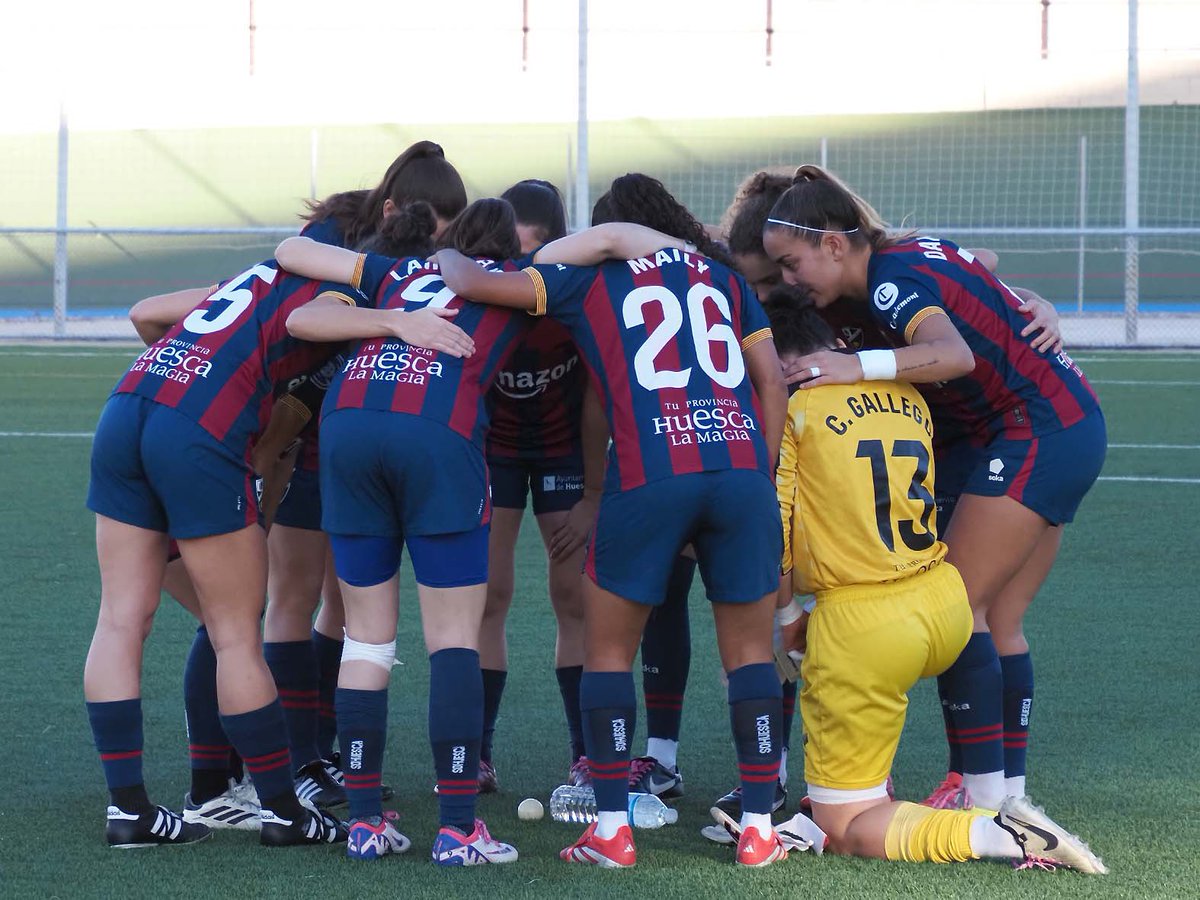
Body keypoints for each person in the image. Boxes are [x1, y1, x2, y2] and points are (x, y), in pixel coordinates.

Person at [84, 242, 469, 849]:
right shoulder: (339, 296)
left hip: (129, 403)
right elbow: (305, 326)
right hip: (197, 428)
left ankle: (129, 810)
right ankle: (284, 813)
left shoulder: (252, 281)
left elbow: (149, 314)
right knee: (235, 632)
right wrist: (397, 321)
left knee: (119, 619)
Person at [435, 218, 792, 869]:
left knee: (606, 654)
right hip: (741, 469)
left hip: (652, 472)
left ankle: (610, 831)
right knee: (750, 657)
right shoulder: (724, 279)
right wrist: (760, 477)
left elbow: (472, 282)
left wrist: (447, 254)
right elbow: (771, 382)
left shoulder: (587, 281)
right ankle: (760, 830)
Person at [761, 165, 1107, 814]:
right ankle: (1005, 792)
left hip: (1036, 428)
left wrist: (852, 365)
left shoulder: (887, 282)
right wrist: (1025, 297)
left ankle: (979, 791)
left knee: (957, 607)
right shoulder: (889, 260)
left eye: (790, 263)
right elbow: (982, 262)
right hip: (1049, 423)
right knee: (997, 619)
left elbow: (955, 354)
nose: (786, 280)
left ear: (833, 244)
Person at [728, 290, 1105, 875]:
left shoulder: (794, 411)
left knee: (847, 827)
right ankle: (979, 792)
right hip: (943, 600)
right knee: (854, 756)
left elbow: (773, 531)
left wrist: (787, 616)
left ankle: (998, 833)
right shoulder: (908, 395)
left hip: (865, 626)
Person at [277, 198, 536, 865]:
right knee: (453, 639)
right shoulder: (518, 282)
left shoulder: (395, 272)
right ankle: (458, 829)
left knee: (367, 638)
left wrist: (392, 319)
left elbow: (291, 254)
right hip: (436, 432)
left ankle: (365, 823)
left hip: (348, 426)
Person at [475, 179, 591, 791]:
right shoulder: (480, 288)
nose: (513, 262)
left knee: (574, 597)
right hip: (494, 452)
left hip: (561, 451)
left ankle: (586, 755)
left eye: (528, 248)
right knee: (487, 595)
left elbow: (600, 398)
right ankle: (477, 754)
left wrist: (593, 495)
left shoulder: (570, 296)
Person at [301, 139, 468, 246]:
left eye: (445, 241)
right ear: (389, 211)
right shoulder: (331, 231)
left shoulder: (460, 245)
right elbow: (294, 255)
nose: (433, 250)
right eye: (427, 237)